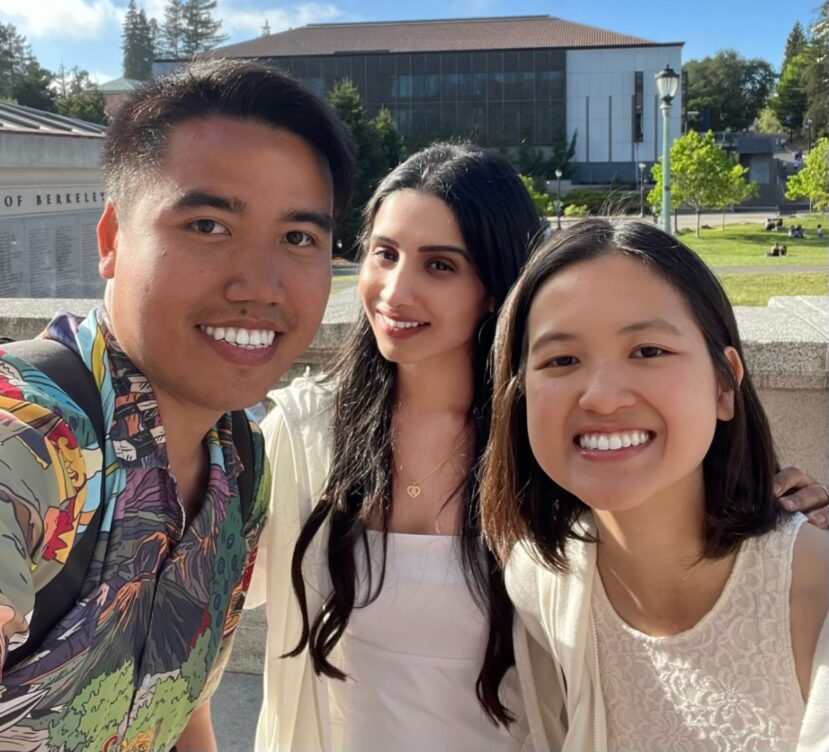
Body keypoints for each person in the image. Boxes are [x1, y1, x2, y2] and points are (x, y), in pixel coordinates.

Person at [0, 62, 354, 752]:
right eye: (208, 224)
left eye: (298, 238)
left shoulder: (239, 459)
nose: (260, 284)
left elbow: (178, 697)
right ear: (110, 240)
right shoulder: (32, 437)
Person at [481, 218, 829, 751]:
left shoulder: (816, 596)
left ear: (723, 384)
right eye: (562, 360)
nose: (600, 395)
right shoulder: (540, 585)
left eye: (647, 351)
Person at [246, 144, 545, 751]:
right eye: (384, 254)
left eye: (440, 266)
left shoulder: (542, 440)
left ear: (496, 286)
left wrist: (773, 511)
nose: (395, 292)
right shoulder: (305, 432)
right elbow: (197, 590)